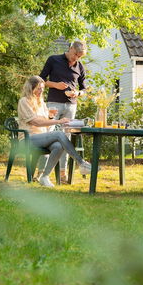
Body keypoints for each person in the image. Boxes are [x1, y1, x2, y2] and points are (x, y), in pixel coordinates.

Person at [17, 76, 91, 187]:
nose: (41, 91)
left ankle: (45, 177)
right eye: (38, 88)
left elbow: (45, 119)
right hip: (27, 139)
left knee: (59, 145)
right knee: (59, 134)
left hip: (41, 137)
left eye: (42, 88)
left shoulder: (40, 102)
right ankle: (81, 163)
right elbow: (36, 122)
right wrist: (58, 121)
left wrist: (50, 116)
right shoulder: (24, 101)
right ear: (30, 88)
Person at [39, 40, 88, 182]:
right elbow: (41, 80)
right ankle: (41, 172)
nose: (76, 59)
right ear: (71, 48)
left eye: (79, 57)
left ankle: (62, 173)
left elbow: (84, 89)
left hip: (71, 106)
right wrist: (55, 85)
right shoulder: (53, 60)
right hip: (54, 104)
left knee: (66, 139)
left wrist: (78, 94)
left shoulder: (80, 66)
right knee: (47, 136)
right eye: (75, 55)